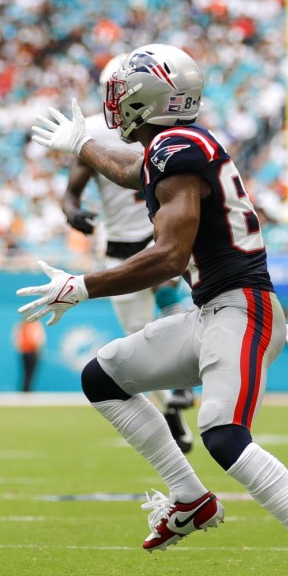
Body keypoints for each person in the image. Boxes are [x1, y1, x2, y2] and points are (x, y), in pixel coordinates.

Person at [19, 45, 288, 576]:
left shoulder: (176, 150)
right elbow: (129, 172)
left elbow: (169, 258)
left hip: (242, 309)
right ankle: (189, 498)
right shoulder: (174, 146)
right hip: (213, 310)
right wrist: (82, 143)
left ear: (149, 100)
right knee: (102, 377)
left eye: (123, 92)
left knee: (223, 435)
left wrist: (82, 286)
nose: (114, 102)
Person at [61, 54, 195, 454]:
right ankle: (172, 406)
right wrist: (73, 214)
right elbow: (71, 193)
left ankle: (182, 385)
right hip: (119, 243)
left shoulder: (170, 130)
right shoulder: (95, 133)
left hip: (160, 233)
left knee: (168, 284)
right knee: (140, 337)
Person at [13, 317, 46, 392]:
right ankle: (27, 389)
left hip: (24, 352)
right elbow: (38, 339)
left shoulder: (21, 326)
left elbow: (16, 339)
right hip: (32, 351)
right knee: (30, 372)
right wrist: (40, 350)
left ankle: (25, 389)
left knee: (26, 372)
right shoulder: (34, 325)